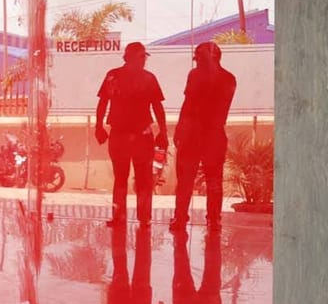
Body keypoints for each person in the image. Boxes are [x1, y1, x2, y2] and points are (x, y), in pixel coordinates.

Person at [95, 42, 168, 228]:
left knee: (135, 178)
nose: (144, 60)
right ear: (132, 58)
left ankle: (140, 217)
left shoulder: (128, 77)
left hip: (135, 134)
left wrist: (163, 132)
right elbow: (103, 102)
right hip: (128, 134)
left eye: (144, 57)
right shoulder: (116, 76)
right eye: (142, 56)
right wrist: (98, 126)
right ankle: (131, 217)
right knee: (127, 178)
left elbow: (157, 106)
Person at [171, 41, 237, 232]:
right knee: (214, 180)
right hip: (215, 133)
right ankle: (214, 220)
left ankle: (180, 217)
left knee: (185, 179)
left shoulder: (196, 75)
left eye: (198, 57)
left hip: (194, 132)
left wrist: (180, 128)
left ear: (208, 57)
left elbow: (189, 104)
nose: (196, 60)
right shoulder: (229, 79)